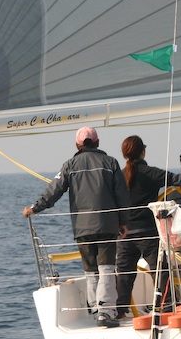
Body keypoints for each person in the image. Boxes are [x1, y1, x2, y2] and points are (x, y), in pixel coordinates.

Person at [22, 126, 130, 328]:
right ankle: (105, 313)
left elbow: (53, 191)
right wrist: (124, 222)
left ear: (77, 145)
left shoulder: (69, 165)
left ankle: (96, 310)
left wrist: (34, 208)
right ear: (97, 143)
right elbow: (122, 196)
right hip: (107, 225)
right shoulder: (111, 163)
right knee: (106, 268)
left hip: (82, 228)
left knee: (91, 270)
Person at [116, 135, 181, 319]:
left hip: (124, 234)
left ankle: (120, 311)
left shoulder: (119, 176)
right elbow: (177, 179)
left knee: (124, 274)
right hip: (147, 232)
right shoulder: (150, 173)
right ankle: (168, 306)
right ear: (143, 152)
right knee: (161, 271)